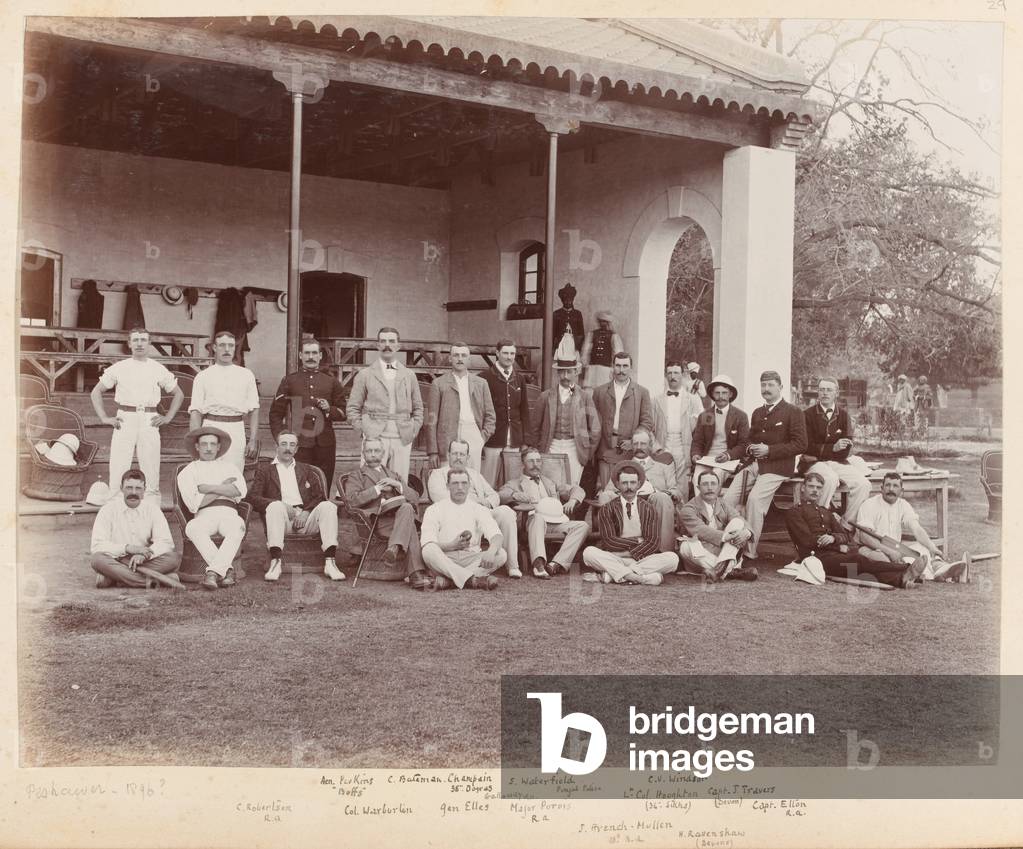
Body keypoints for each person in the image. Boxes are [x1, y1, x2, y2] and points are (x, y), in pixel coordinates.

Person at [90, 326, 184, 498]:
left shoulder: (157, 368)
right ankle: (116, 501)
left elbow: (178, 393)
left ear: (149, 343)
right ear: (129, 343)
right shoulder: (119, 367)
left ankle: (151, 501)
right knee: (119, 462)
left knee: (150, 463)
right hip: (125, 418)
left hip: (149, 418)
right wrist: (104, 417)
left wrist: (168, 417)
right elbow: (96, 392)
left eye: (143, 340)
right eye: (135, 340)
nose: (139, 344)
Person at [786, 472, 923, 589]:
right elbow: (807, 541)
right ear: (803, 488)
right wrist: (837, 546)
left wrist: (834, 538)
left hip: (836, 556)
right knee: (858, 560)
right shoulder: (794, 512)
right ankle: (906, 568)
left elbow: (845, 536)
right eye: (811, 486)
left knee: (857, 570)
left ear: (822, 491)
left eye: (818, 488)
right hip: (816, 559)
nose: (815, 490)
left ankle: (900, 580)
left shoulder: (825, 512)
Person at [246, 431, 344, 582]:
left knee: (328, 506)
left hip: (306, 520)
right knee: (274, 506)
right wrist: (280, 505)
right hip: (281, 520)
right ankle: (275, 562)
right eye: (284, 444)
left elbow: (319, 496)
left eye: (292, 445)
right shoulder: (265, 470)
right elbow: (253, 497)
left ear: (297, 449)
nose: (288, 448)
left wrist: (306, 512)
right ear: (276, 447)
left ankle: (330, 562)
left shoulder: (306, 469)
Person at [729, 370, 807, 559]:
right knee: (727, 500)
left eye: (771, 385)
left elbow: (800, 444)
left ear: (781, 387)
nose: (766, 388)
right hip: (754, 465)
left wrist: (769, 450)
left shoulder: (793, 412)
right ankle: (726, 544)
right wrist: (751, 448)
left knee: (755, 501)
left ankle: (749, 551)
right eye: (763, 385)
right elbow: (748, 439)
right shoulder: (758, 412)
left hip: (778, 468)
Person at [342, 436, 429, 588]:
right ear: (363, 453)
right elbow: (351, 501)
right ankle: (415, 574)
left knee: (407, 508)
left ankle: (394, 548)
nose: (373, 454)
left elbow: (415, 498)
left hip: (398, 520)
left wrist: (398, 485)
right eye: (369, 451)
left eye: (376, 451)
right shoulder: (357, 475)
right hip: (375, 523)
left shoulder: (393, 475)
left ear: (383, 453)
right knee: (409, 522)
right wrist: (376, 489)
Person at [427, 438, 522, 577]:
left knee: (506, 512)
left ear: (467, 457)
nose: (458, 457)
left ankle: (512, 565)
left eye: (462, 454)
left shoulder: (475, 474)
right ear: (448, 455)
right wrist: (477, 501)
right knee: (429, 550)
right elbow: (441, 497)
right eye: (455, 453)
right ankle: (469, 576)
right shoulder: (438, 474)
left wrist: (487, 503)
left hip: (482, 513)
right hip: (456, 513)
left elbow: (494, 495)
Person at [346, 326, 424, 484]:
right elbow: (352, 408)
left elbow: (418, 408)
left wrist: (413, 429)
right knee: (372, 481)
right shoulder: (365, 374)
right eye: (383, 341)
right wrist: (365, 431)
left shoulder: (409, 375)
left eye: (391, 341)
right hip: (375, 437)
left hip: (402, 437)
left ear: (398, 346)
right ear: (377, 345)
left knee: (399, 482)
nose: (387, 345)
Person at [582, 461, 679, 585]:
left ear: (638, 484)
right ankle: (641, 578)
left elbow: (652, 542)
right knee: (588, 553)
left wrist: (628, 553)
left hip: (640, 557)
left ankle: (613, 575)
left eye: (633, 482)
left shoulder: (648, 509)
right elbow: (609, 541)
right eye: (625, 483)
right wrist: (638, 540)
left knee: (672, 558)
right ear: (618, 485)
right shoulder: (607, 509)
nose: (629, 487)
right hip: (616, 557)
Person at [499, 446, 588, 578]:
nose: (535, 464)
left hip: (556, 522)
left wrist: (572, 500)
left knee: (582, 526)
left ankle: (556, 563)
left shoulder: (550, 483)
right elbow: (500, 494)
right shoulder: (514, 484)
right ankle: (538, 563)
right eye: (531, 461)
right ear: (523, 464)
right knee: (538, 518)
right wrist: (514, 495)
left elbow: (577, 490)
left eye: (538, 461)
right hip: (531, 522)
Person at [268, 337, 347, 488]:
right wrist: (282, 438)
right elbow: (276, 414)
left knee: (323, 484)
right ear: (300, 355)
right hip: (299, 443)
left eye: (314, 353)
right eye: (307, 353)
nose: (311, 357)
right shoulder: (289, 381)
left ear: (320, 355)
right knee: (298, 485)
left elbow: (343, 412)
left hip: (325, 444)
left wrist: (329, 409)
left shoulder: (331, 381)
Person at [176, 426, 247, 591]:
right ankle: (227, 571)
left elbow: (239, 491)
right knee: (192, 528)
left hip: (229, 513)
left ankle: (213, 573)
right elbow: (194, 504)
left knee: (238, 527)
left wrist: (207, 488)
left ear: (218, 447)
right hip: (204, 515)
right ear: (197, 447)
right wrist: (223, 488)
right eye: (204, 444)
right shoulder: (188, 471)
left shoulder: (230, 467)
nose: (208, 448)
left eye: (213, 444)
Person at [855, 472, 960, 582]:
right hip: (872, 548)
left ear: (901, 491)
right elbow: (864, 537)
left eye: (895, 486)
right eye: (888, 485)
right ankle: (912, 572)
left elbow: (916, 529)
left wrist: (931, 546)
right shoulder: (870, 504)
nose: (891, 489)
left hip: (895, 547)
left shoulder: (903, 505)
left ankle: (941, 569)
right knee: (882, 559)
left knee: (921, 548)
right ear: (881, 488)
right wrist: (888, 552)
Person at [90, 469, 181, 588]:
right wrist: (127, 548)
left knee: (173, 558)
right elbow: (97, 546)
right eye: (129, 487)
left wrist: (145, 555)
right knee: (97, 559)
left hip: (143, 561)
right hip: (117, 559)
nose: (133, 492)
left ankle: (115, 578)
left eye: (138, 488)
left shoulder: (153, 510)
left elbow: (165, 542)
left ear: (144, 490)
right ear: (121, 488)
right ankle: (154, 581)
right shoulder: (107, 510)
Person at [419, 468, 506, 590]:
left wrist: (491, 551)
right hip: (444, 558)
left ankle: (450, 581)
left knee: (501, 554)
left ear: (469, 485)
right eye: (455, 483)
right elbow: (427, 542)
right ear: (447, 486)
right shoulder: (434, 509)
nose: (460, 487)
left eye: (464, 483)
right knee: (428, 550)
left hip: (470, 558)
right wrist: (451, 545)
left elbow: (496, 535)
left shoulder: (478, 509)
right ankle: (471, 579)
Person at [596, 428, 679, 552]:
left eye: (643, 444)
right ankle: (613, 548)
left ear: (650, 445)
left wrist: (661, 492)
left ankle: (663, 551)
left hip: (653, 504)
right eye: (636, 444)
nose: (639, 447)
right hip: (626, 502)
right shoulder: (622, 467)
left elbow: (676, 491)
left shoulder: (663, 467)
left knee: (661, 497)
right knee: (606, 495)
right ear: (632, 445)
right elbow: (609, 490)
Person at [801, 376, 872, 522]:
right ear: (818, 392)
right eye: (822, 390)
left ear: (836, 393)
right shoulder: (807, 415)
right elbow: (805, 446)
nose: (825, 393)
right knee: (829, 479)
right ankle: (817, 523)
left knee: (863, 484)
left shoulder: (844, 416)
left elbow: (846, 447)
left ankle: (846, 525)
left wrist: (836, 451)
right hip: (813, 463)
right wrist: (832, 448)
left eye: (829, 390)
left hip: (837, 463)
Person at [189, 331, 260, 474]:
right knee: (208, 472)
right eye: (222, 345)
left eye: (231, 346)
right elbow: (195, 411)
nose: (227, 349)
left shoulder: (246, 375)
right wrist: (195, 441)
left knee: (234, 472)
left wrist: (253, 439)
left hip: (236, 428)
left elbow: (254, 409)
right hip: (210, 427)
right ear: (214, 348)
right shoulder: (203, 376)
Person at [527, 353, 601, 487]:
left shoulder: (584, 397)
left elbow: (595, 428)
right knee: (550, 484)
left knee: (571, 485)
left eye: (569, 372)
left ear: (576, 372)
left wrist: (587, 452)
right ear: (557, 373)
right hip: (551, 445)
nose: (565, 376)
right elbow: (534, 427)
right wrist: (539, 447)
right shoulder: (545, 396)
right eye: (562, 372)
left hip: (575, 447)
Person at [425, 341, 496, 471]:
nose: (460, 359)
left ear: (469, 359)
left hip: (473, 432)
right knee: (448, 473)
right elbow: (431, 420)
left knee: (472, 474)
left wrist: (482, 437)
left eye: (464, 355)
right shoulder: (438, 383)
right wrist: (433, 451)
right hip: (447, 435)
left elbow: (490, 415)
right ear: (450, 358)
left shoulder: (481, 383)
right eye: (456, 355)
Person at [677, 471, 757, 582]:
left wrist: (746, 532)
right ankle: (731, 571)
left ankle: (718, 571)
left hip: (723, 549)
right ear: (698, 487)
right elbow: (700, 530)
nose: (710, 488)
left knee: (737, 522)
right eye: (705, 484)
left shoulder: (723, 504)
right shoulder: (688, 508)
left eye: (713, 484)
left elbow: (739, 518)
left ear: (719, 487)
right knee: (686, 547)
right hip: (702, 553)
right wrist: (725, 537)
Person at [591, 351, 654, 488]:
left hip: (629, 449)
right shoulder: (599, 392)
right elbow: (592, 422)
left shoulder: (642, 392)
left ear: (631, 368)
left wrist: (634, 441)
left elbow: (647, 422)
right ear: (612, 367)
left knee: (627, 487)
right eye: (618, 366)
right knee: (607, 489)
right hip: (605, 447)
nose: (621, 370)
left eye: (625, 366)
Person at [480, 339, 532, 487]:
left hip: (514, 440)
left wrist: (525, 441)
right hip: (492, 440)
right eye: (505, 353)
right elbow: (480, 411)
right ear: (497, 353)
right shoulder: (484, 377)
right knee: (487, 483)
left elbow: (524, 410)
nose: (509, 357)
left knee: (512, 483)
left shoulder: (519, 379)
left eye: (512, 353)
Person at [690, 373, 750, 488]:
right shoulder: (706, 415)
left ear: (730, 394)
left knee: (715, 478)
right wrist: (695, 454)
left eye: (724, 393)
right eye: (717, 393)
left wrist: (728, 455)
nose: (721, 396)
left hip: (728, 461)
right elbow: (697, 441)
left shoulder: (740, 416)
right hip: (707, 460)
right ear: (712, 394)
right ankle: (702, 501)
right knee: (698, 478)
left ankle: (711, 500)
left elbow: (744, 444)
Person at [653, 361, 704, 491]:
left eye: (676, 372)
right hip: (663, 444)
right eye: (669, 373)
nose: (673, 376)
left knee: (682, 484)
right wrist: (656, 448)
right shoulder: (657, 400)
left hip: (683, 445)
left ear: (683, 375)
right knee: (663, 482)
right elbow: (650, 427)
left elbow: (700, 427)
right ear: (666, 375)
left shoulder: (692, 399)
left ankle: (682, 504)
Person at [581, 310, 624, 388]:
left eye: (605, 322)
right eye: (601, 321)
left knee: (605, 390)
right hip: (592, 368)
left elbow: (617, 353)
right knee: (591, 390)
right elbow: (586, 351)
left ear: (608, 323)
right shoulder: (592, 334)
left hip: (606, 369)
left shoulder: (614, 336)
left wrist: (615, 368)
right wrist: (585, 365)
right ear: (598, 322)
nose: (603, 324)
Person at [551, 282, 585, 355]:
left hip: (574, 345)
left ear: (572, 300)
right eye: (565, 300)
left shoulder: (577, 314)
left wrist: (579, 347)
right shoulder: (556, 313)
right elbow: (552, 333)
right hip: (560, 345)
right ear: (562, 301)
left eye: (570, 300)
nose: (568, 302)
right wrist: (553, 348)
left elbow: (581, 333)